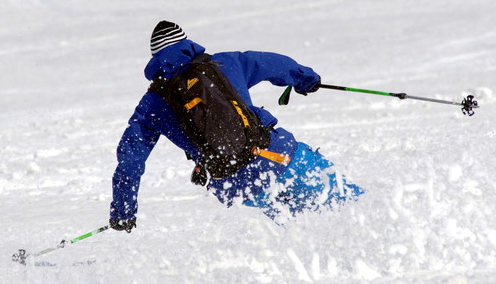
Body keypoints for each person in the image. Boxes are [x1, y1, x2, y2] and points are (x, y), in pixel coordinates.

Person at [109, 21, 363, 232]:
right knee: (354, 208)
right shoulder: (226, 63)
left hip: (236, 186)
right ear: (188, 44)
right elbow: (277, 64)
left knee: (299, 234)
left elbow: (129, 162)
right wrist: (307, 80)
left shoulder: (152, 103)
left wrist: (124, 213)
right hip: (279, 157)